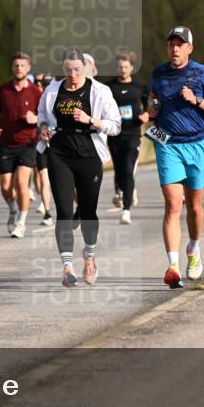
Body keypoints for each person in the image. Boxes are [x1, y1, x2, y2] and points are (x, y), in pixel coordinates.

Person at [147, 26, 204, 288]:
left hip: (197, 143)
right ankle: (172, 266)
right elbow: (151, 103)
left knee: (194, 207)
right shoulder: (158, 74)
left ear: (189, 49)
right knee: (173, 205)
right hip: (168, 144)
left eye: (180, 45)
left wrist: (196, 100)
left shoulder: (201, 73)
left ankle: (193, 249)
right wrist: (151, 108)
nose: (175, 49)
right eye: (171, 44)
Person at [37, 49, 121, 285]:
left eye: (76, 69)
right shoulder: (53, 89)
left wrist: (91, 120)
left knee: (87, 211)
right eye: (68, 70)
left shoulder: (100, 91)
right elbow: (41, 112)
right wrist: (43, 125)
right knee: (63, 211)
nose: (72, 75)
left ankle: (90, 258)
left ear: (85, 68)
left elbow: (115, 125)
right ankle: (66, 267)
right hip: (59, 152)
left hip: (89, 153)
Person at [0, 53, 41, 238]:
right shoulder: (3, 89)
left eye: (22, 65)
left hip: (28, 143)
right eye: (16, 65)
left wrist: (35, 118)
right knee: (5, 187)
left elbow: (44, 116)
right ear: (12, 68)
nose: (19, 68)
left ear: (28, 69)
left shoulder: (36, 91)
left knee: (21, 183)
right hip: (6, 144)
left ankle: (21, 222)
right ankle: (13, 209)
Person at [106, 52, 149, 224]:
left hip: (133, 133)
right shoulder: (109, 87)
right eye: (120, 67)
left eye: (126, 67)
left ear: (131, 67)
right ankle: (121, 191)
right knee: (119, 169)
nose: (123, 70)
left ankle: (126, 210)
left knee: (128, 169)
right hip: (115, 133)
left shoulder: (140, 85)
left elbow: (150, 102)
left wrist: (147, 114)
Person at [32, 72, 55, 226]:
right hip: (41, 146)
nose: (41, 85)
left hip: (59, 145)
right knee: (43, 180)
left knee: (68, 182)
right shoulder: (35, 98)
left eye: (45, 83)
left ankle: (78, 208)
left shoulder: (58, 97)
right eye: (39, 82)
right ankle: (47, 213)